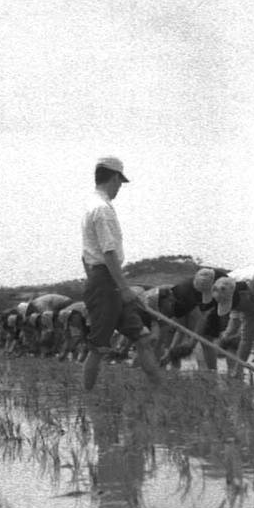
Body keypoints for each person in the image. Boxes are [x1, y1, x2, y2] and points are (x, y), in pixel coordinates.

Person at [81, 156, 161, 391]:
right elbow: (108, 253)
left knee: (143, 338)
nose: (119, 188)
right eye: (119, 182)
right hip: (106, 282)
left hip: (106, 280)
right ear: (114, 178)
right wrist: (123, 288)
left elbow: (85, 255)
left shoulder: (93, 206)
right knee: (99, 347)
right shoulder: (101, 209)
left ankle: (160, 392)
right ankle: (89, 402)